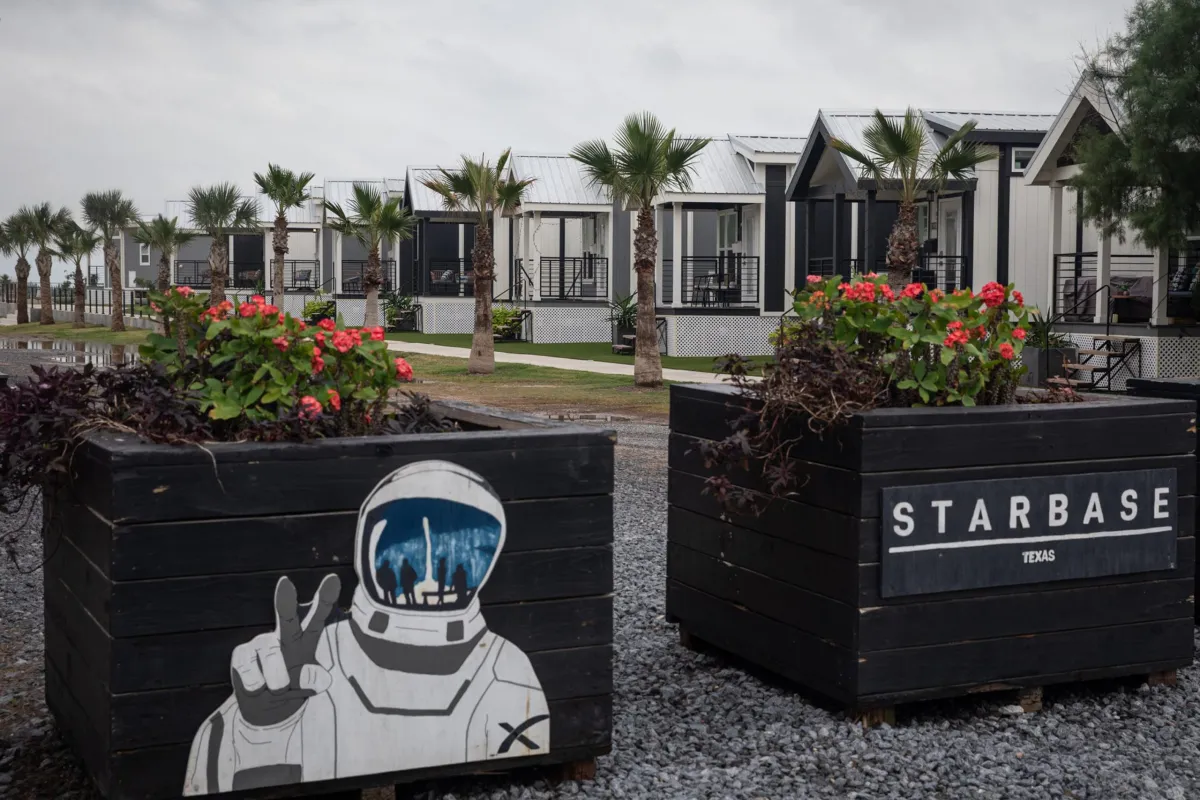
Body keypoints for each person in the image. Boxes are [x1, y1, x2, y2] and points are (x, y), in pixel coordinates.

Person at [182, 461, 549, 796]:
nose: (426, 581)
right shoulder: (307, 662)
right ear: (364, 547)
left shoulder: (505, 672)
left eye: (451, 557)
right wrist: (260, 728)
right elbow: (213, 767)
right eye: (405, 555)